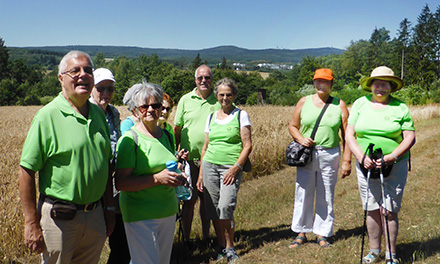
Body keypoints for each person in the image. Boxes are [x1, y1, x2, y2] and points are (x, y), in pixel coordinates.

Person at [18, 50, 114, 263]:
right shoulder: (47, 117)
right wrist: (31, 223)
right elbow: (26, 170)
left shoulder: (98, 114)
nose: (83, 75)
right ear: (61, 78)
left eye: (88, 70)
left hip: (96, 216)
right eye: (75, 70)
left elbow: (105, 166)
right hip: (60, 219)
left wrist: (108, 209)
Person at [346, 66, 415, 264]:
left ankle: (391, 254)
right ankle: (374, 250)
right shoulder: (360, 104)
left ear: (391, 87)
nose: (380, 87)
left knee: (389, 210)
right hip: (365, 164)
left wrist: (392, 156)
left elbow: (410, 137)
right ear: (371, 85)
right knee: (372, 207)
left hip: (394, 164)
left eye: (385, 84)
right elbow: (350, 135)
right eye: (377, 83)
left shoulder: (400, 107)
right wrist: (360, 157)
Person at [115, 82, 188, 264]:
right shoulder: (129, 140)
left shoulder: (166, 136)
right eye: (144, 106)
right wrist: (157, 178)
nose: (150, 110)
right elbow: (122, 183)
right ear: (135, 110)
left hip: (168, 210)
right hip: (140, 214)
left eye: (155, 105)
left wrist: (178, 175)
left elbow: (168, 166)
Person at [288, 68, 351, 249]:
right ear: (314, 82)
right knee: (303, 192)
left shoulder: (339, 105)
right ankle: (301, 232)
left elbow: (347, 135)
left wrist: (347, 160)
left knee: (326, 194)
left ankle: (322, 233)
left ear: (331, 84)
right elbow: (292, 126)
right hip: (306, 154)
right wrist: (301, 139)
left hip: (329, 154)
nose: (321, 84)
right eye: (318, 81)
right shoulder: (304, 101)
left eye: (325, 81)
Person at [196, 78, 252, 263]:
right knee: (213, 209)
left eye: (228, 94)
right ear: (217, 96)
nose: (225, 98)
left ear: (234, 95)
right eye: (221, 94)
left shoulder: (241, 115)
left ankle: (230, 247)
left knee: (225, 207)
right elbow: (205, 146)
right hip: (210, 165)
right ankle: (221, 246)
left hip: (230, 167)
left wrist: (236, 168)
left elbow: (247, 145)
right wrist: (201, 174)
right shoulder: (211, 117)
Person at [174, 65, 221, 245]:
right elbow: (177, 128)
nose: (204, 81)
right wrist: (176, 153)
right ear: (195, 80)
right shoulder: (186, 99)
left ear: (212, 80)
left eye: (207, 77)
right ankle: (186, 238)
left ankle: (206, 236)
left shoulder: (218, 101)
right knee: (189, 200)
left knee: (207, 200)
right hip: (188, 161)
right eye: (200, 77)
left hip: (210, 159)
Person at [89, 68, 130, 264]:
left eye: (110, 89)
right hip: (93, 185)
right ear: (91, 89)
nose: (106, 93)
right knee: (92, 240)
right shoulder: (85, 112)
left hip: (113, 182)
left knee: (119, 236)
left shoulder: (114, 112)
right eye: (101, 88)